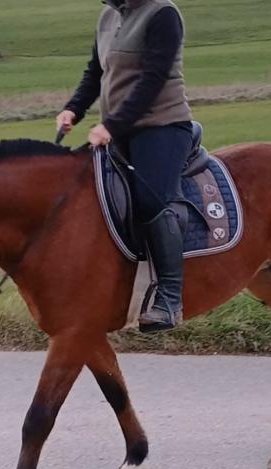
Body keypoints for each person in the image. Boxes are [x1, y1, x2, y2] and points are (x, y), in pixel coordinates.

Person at [56, 0, 194, 333]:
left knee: (149, 200)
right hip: (119, 129)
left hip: (162, 126)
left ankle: (169, 298)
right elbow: (96, 72)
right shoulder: (108, 16)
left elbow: (153, 79)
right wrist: (73, 109)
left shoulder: (163, 14)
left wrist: (111, 126)